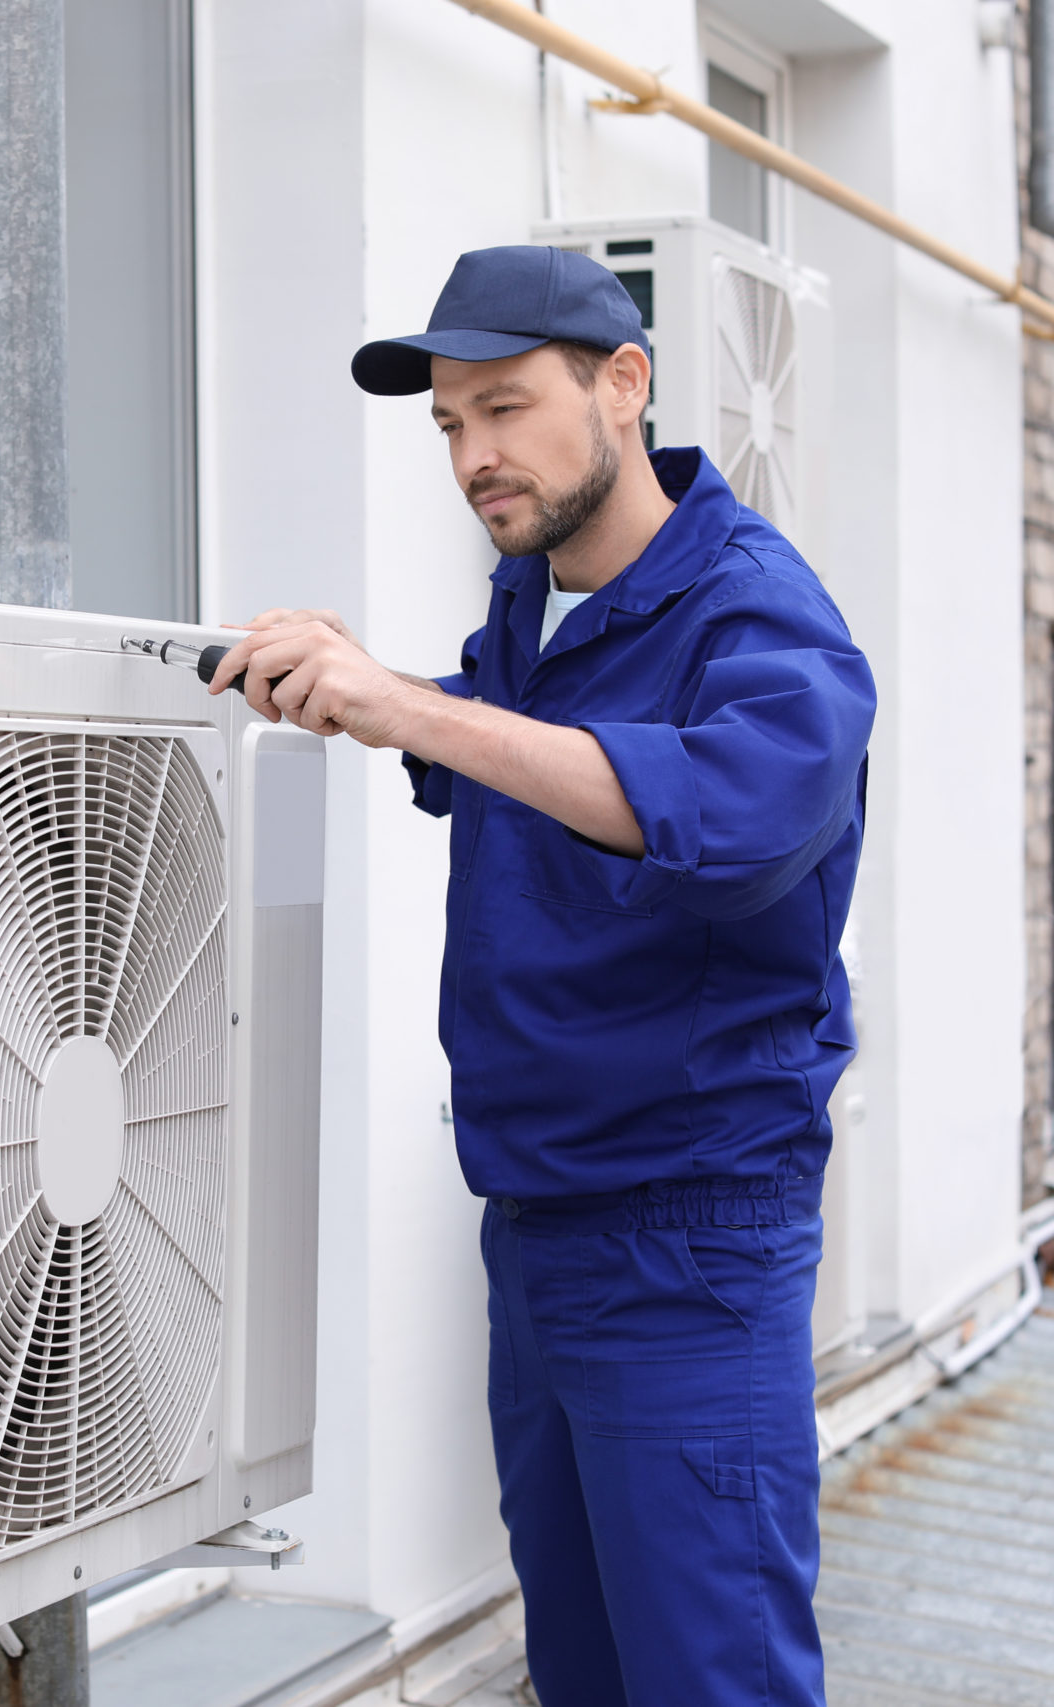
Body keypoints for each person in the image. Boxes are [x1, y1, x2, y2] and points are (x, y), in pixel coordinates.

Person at [209, 245, 873, 1706]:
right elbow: (516, 756)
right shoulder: (538, 600)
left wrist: (418, 715)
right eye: (450, 424)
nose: (475, 455)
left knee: (714, 1679)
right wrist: (373, 684)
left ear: (622, 385)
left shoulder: (761, 614)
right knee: (578, 1669)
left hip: (689, 1237)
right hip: (540, 1222)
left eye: (504, 408)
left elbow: (735, 813)